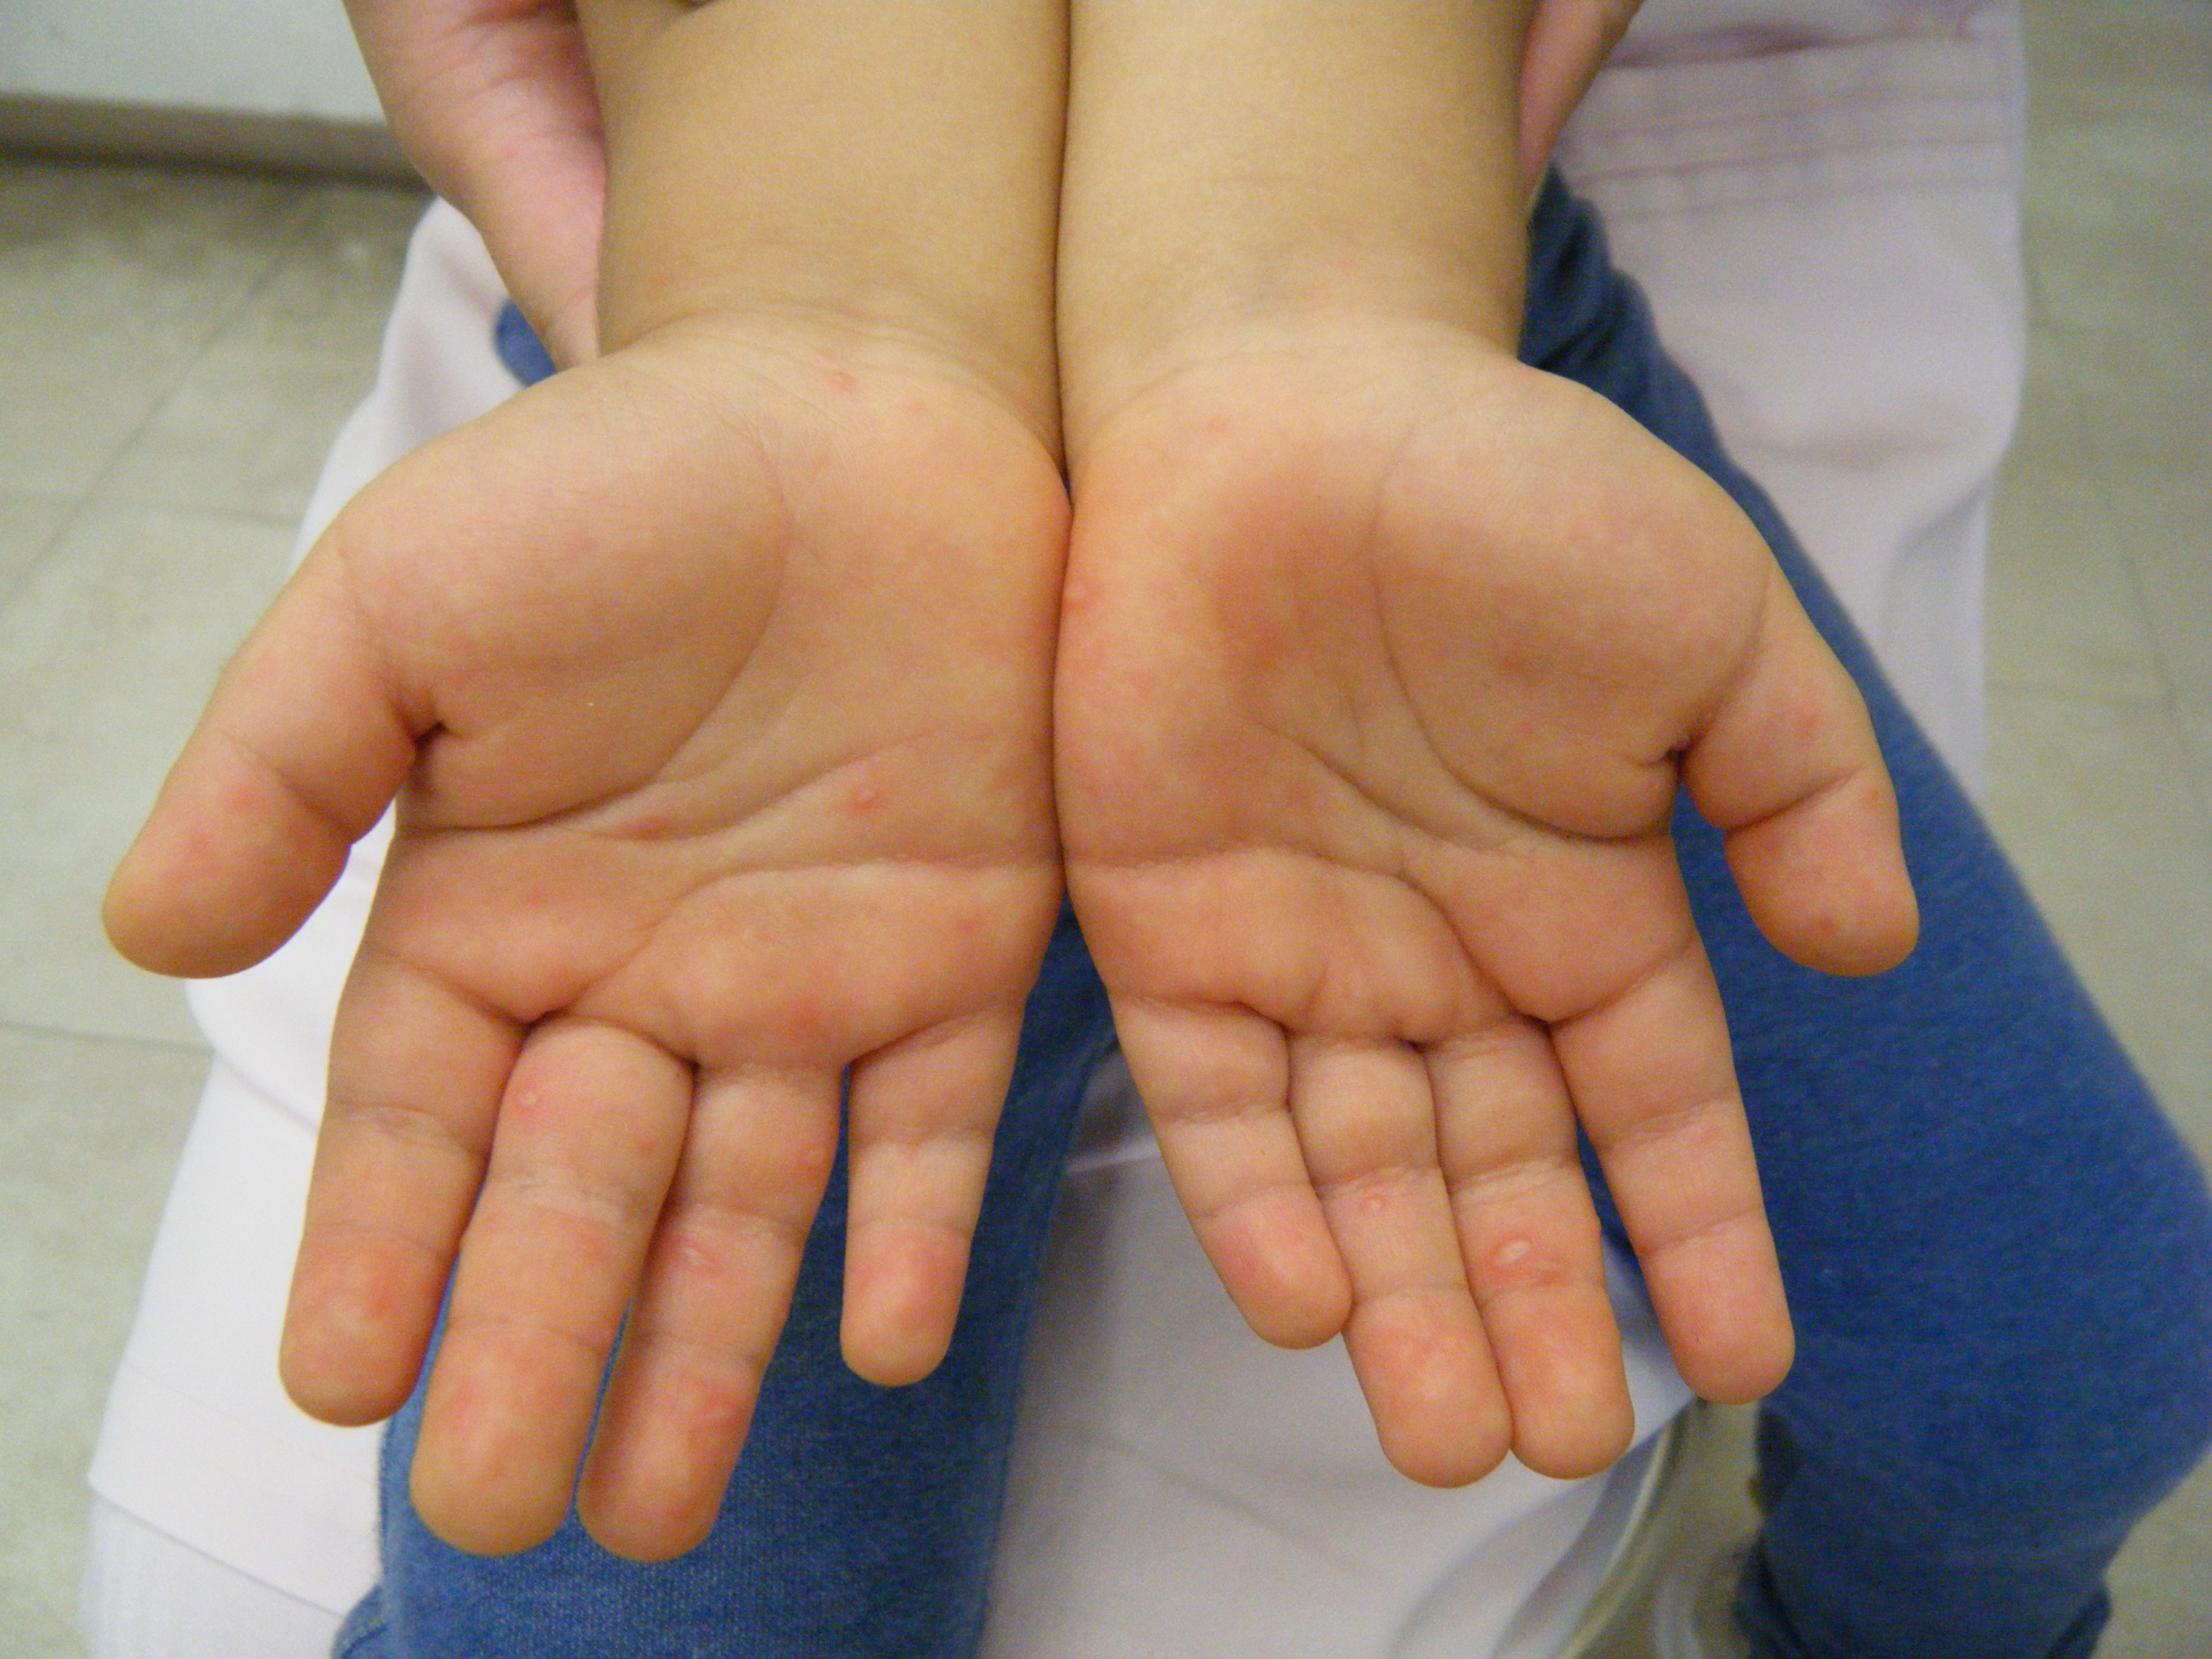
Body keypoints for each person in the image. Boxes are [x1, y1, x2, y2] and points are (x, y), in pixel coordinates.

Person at [85, 2, 2212, 1656]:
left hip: (1391, 410)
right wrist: (820, 333)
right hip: (776, 517)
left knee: (2071, 1386)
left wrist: (1297, 327)